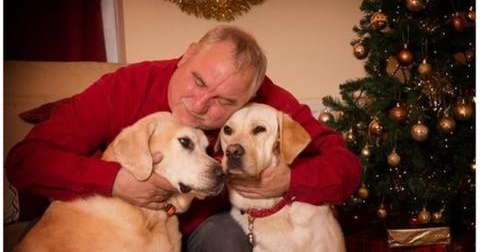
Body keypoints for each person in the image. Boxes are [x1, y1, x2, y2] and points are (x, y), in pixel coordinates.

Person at [6, 25, 361, 251]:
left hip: (203, 226)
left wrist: (290, 179)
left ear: (248, 100)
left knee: (225, 237)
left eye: (225, 102)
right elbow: (26, 161)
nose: (200, 104)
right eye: (199, 81)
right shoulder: (128, 86)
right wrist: (114, 180)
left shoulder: (266, 100)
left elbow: (345, 167)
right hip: (119, 225)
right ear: (188, 54)